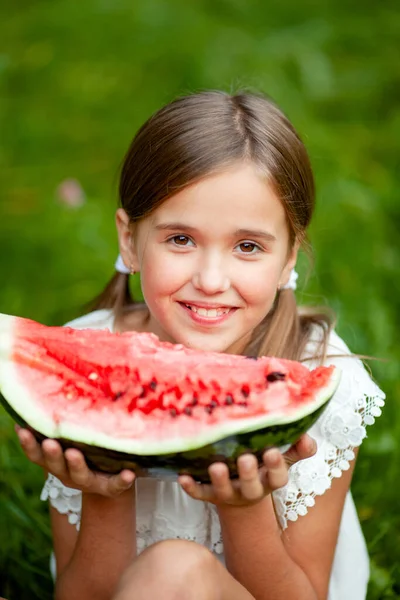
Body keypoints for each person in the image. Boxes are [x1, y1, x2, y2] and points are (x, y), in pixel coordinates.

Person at [16, 91, 385, 600]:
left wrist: (244, 507)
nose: (211, 280)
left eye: (248, 246)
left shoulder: (324, 376)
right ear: (129, 240)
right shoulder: (90, 364)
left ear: (288, 258)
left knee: (173, 568)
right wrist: (104, 490)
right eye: (181, 240)